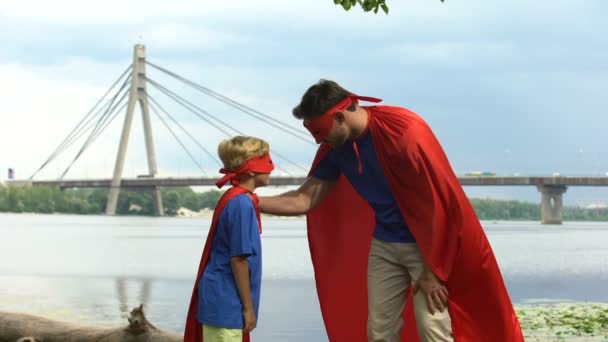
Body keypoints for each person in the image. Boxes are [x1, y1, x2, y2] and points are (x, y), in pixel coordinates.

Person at [258, 80, 524, 341]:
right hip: (385, 244)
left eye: (319, 132)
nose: (319, 141)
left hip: (428, 247)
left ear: (339, 117)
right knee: (380, 331)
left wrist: (434, 271)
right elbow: (305, 198)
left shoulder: (405, 133)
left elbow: (439, 205)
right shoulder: (337, 148)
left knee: (433, 330)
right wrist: (249, 200)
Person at [184, 136, 275, 342]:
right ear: (251, 169)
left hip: (222, 300)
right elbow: (238, 259)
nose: (272, 168)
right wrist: (249, 308)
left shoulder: (236, 197)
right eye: (267, 161)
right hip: (226, 304)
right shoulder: (242, 204)